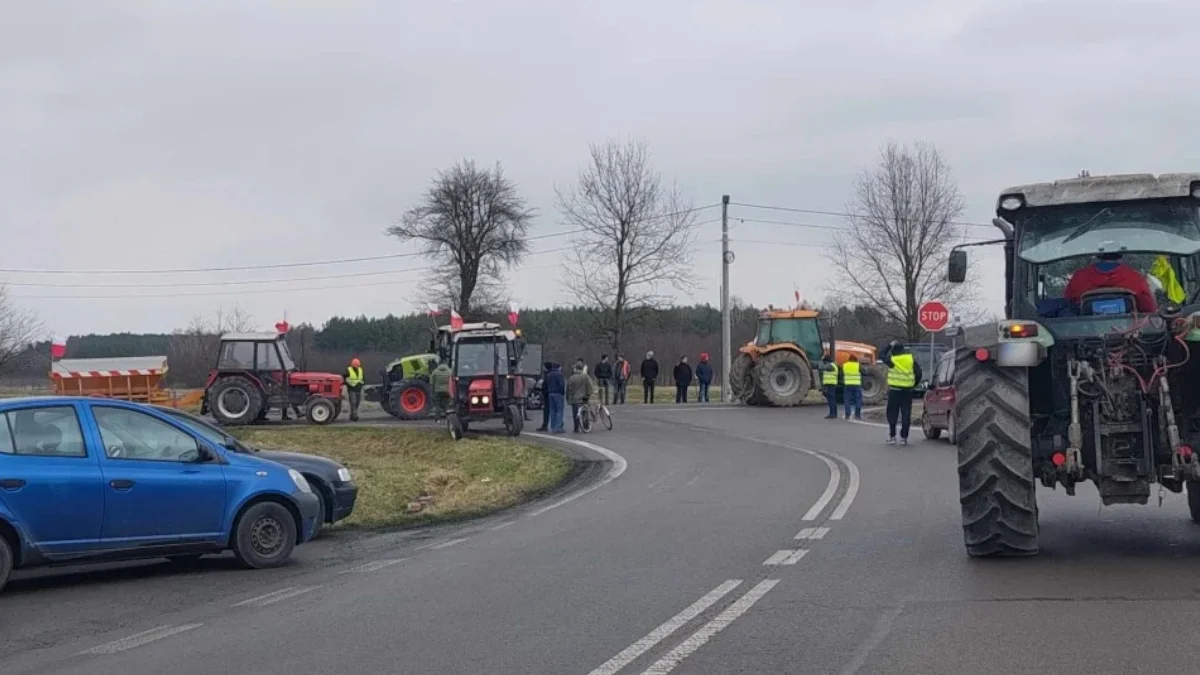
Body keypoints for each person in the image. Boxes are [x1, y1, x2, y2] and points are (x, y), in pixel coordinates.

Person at [1065, 252, 1157, 313]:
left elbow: (1067, 305)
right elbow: (1150, 309)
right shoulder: (1135, 278)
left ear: (1097, 254)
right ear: (1120, 254)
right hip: (1129, 335)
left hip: (1085, 336)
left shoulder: (1078, 277)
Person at [881, 341, 922, 445]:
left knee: (892, 414)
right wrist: (913, 384)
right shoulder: (910, 359)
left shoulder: (892, 360)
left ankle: (892, 436)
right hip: (907, 391)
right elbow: (918, 373)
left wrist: (889, 345)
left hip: (894, 391)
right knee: (906, 414)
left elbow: (881, 354)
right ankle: (904, 438)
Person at [567, 363, 591, 433]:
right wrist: (588, 395)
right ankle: (586, 426)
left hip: (575, 399)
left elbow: (569, 390)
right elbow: (590, 387)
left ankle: (576, 428)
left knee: (575, 414)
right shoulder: (586, 377)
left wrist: (568, 399)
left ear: (576, 369)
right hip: (584, 398)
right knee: (585, 412)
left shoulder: (571, 378)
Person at [544, 362, 566, 433]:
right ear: (558, 367)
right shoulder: (559, 374)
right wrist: (562, 392)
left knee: (552, 411)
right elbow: (561, 384)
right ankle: (558, 428)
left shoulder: (549, 374)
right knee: (559, 411)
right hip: (558, 393)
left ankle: (553, 427)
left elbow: (546, 384)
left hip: (550, 393)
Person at [842, 354, 863, 421]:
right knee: (858, 400)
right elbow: (864, 372)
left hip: (848, 385)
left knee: (847, 400)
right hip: (857, 385)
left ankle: (847, 415)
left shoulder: (845, 365)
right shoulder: (858, 365)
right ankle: (857, 415)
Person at [345, 357, 365, 422]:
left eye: (358, 365)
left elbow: (363, 379)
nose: (358, 366)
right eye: (357, 365)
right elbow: (345, 379)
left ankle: (352, 415)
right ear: (353, 364)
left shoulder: (360, 370)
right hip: (351, 389)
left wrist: (362, 384)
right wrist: (348, 384)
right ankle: (354, 416)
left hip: (358, 389)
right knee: (353, 402)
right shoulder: (348, 370)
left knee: (357, 402)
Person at [821, 353, 839, 419]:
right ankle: (834, 413)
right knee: (832, 399)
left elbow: (822, 367)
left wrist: (821, 361)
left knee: (831, 400)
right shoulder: (833, 365)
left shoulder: (831, 366)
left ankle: (832, 414)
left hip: (831, 384)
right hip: (830, 384)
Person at [535, 361, 552, 431]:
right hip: (548, 394)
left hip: (547, 395)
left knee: (547, 411)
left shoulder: (548, 375)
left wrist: (544, 391)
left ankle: (545, 425)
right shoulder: (548, 374)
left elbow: (546, 385)